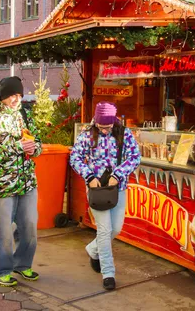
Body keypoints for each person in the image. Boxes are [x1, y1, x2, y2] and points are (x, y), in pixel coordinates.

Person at [0, 76, 42, 287]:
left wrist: (34, 148)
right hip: (1, 184)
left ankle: (23, 264)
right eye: (12, 95)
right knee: (2, 230)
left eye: (19, 95)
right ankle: (1, 269)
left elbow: (37, 142)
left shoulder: (24, 114)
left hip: (27, 182)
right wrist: (16, 147)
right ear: (3, 96)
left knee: (29, 226)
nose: (16, 99)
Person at [69, 102, 141, 291]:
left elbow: (135, 157)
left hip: (118, 188)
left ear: (114, 123)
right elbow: (75, 157)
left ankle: (93, 250)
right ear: (96, 123)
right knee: (104, 229)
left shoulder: (124, 134)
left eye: (108, 127)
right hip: (96, 189)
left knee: (115, 229)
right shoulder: (87, 134)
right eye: (101, 127)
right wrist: (89, 176)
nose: (105, 130)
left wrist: (118, 175)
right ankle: (108, 273)